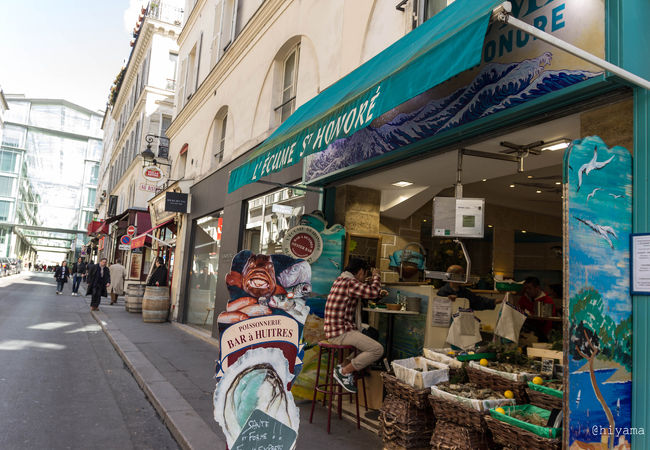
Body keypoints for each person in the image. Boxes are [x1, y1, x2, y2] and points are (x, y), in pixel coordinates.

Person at [324, 258, 384, 393]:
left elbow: (363, 291)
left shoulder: (341, 280)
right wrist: (376, 276)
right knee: (377, 349)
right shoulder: (349, 283)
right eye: (365, 274)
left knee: (371, 334)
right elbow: (374, 292)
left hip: (336, 330)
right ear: (361, 272)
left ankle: (344, 365)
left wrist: (367, 282)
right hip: (340, 332)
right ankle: (344, 372)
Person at [437, 265, 502, 310]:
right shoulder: (443, 292)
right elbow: (438, 307)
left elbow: (478, 301)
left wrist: (495, 301)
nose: (463, 278)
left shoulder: (464, 292)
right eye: (461, 276)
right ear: (453, 276)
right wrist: (447, 300)